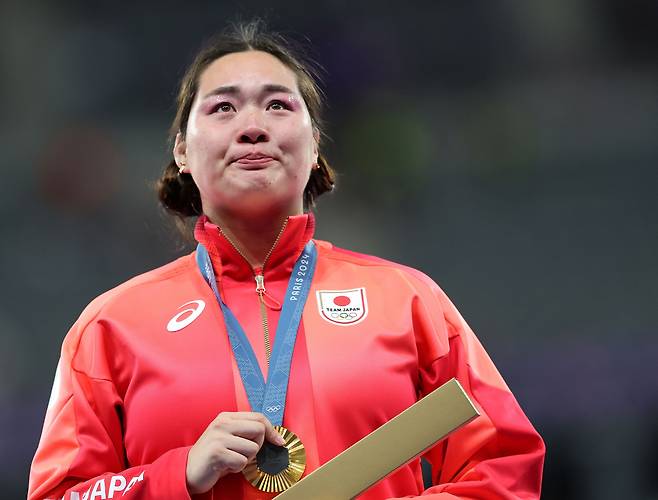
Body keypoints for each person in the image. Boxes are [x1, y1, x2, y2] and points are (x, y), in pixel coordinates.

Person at [28, 21, 545, 500]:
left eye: (278, 105)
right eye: (222, 108)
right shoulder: (109, 328)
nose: (252, 127)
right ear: (182, 151)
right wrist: (176, 474)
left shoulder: (408, 301)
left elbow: (505, 465)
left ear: (315, 144)